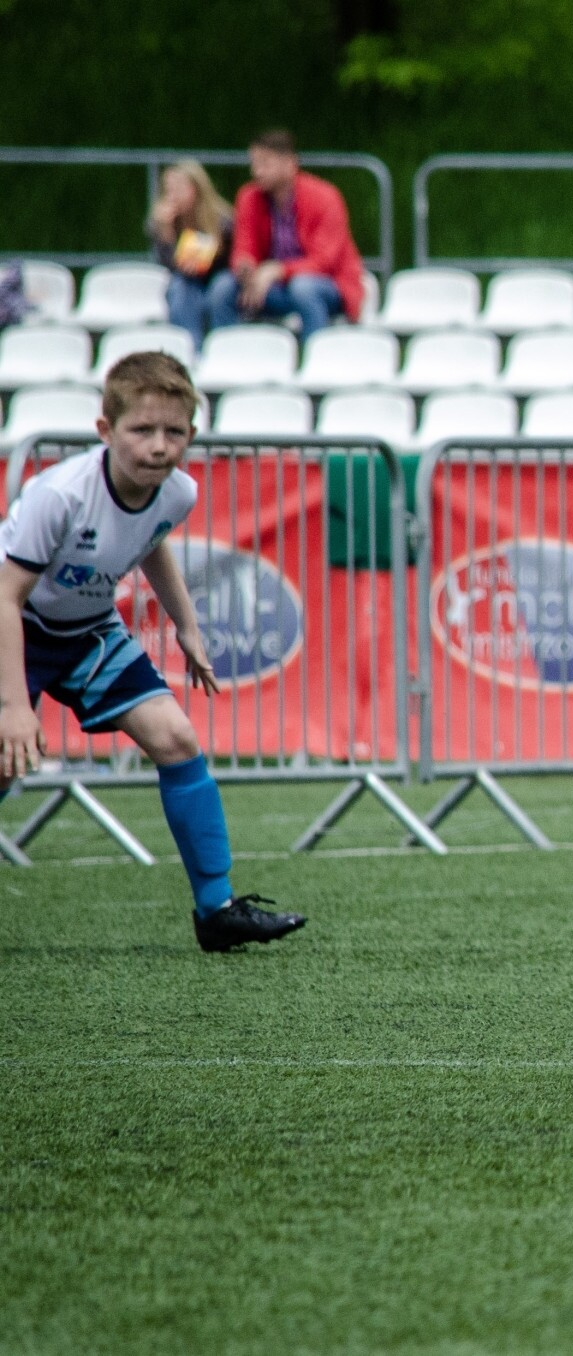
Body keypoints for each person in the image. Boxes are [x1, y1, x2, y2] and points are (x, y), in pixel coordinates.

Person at [0, 353, 305, 952]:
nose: (160, 446)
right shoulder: (59, 495)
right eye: (142, 430)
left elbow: (149, 540)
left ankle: (217, 911)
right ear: (105, 430)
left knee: (176, 738)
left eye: (174, 432)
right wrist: (14, 707)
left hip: (88, 632)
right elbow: (6, 596)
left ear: (192, 433)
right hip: (16, 625)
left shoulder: (178, 492)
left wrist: (186, 626)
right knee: (5, 765)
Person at [212, 129, 366, 337]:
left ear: (290, 163)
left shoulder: (325, 197)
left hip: (327, 285)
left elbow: (325, 261)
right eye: (254, 163)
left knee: (303, 288)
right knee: (222, 287)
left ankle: (314, 353)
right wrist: (245, 268)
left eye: (265, 163)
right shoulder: (249, 197)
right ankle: (227, 352)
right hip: (268, 285)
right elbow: (244, 246)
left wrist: (279, 270)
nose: (257, 172)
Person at [149, 160, 237, 350]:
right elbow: (169, 267)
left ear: (196, 189)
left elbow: (229, 261)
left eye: (178, 189)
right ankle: (189, 349)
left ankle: (223, 349)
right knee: (179, 287)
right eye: (168, 190)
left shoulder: (223, 220)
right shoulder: (165, 223)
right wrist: (166, 234)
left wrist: (206, 258)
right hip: (188, 281)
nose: (172, 196)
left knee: (222, 288)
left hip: (219, 276)